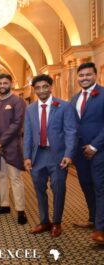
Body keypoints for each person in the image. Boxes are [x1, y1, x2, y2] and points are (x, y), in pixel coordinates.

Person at [24, 74, 77, 237]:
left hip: (58, 156)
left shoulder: (64, 106)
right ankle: (44, 221)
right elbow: (28, 134)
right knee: (39, 189)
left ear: (51, 87)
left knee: (59, 188)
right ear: (34, 90)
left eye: (45, 86)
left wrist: (68, 154)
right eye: (38, 88)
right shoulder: (30, 109)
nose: (42, 90)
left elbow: (70, 131)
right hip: (37, 156)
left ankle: (56, 222)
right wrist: (27, 156)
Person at [0, 73, 28, 224]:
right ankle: (4, 205)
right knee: (1, 177)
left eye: (5, 83)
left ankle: (21, 210)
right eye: (0, 83)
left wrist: (1, 142)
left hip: (11, 147)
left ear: (11, 84)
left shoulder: (18, 102)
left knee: (15, 178)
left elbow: (17, 124)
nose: (2, 85)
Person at [70, 62, 104, 244]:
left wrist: (95, 146)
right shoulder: (75, 98)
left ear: (96, 75)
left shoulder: (103, 94)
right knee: (86, 184)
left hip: (99, 150)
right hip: (79, 152)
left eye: (88, 75)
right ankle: (93, 219)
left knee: (100, 187)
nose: (84, 78)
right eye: (81, 75)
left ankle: (101, 228)